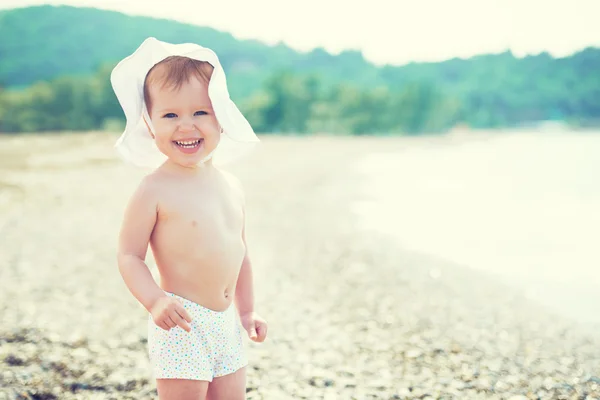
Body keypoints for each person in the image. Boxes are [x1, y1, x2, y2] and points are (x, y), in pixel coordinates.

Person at [111, 37, 267, 400]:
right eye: (170, 115)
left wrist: (247, 312)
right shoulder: (154, 189)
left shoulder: (231, 185)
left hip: (226, 322)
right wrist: (155, 301)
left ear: (222, 118)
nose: (186, 126)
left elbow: (240, 255)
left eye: (200, 112)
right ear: (151, 126)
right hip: (181, 321)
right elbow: (128, 255)